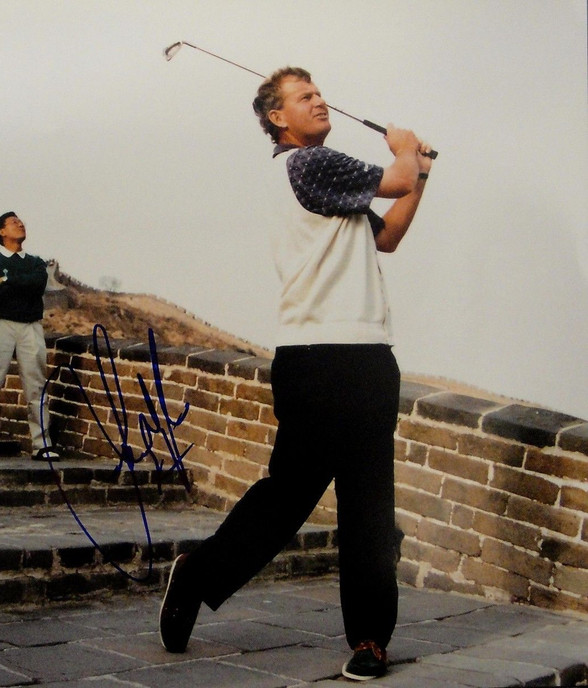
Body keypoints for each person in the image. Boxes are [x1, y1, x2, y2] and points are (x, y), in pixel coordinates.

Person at [158, 67, 433, 682]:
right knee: (288, 499)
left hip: (365, 353)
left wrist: (420, 179)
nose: (320, 100)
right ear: (277, 118)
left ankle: (369, 640)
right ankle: (198, 573)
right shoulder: (309, 165)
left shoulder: (328, 179)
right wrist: (406, 151)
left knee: (369, 502)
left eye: (319, 92)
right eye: (304, 96)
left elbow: (385, 236)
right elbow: (394, 177)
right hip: (315, 357)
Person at [0, 211, 58, 461]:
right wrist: (18, 286)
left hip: (30, 326)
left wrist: (6, 279)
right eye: (14, 222)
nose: (20, 224)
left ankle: (42, 444)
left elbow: (38, 285)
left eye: (21, 221)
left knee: (36, 386)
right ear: (2, 232)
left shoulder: (36, 262)